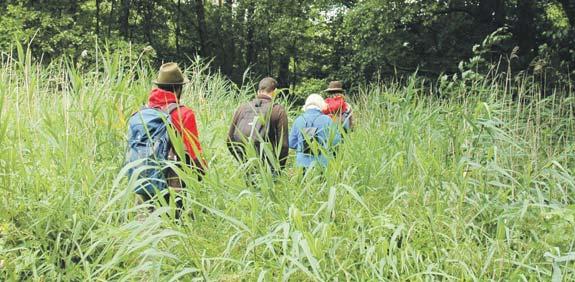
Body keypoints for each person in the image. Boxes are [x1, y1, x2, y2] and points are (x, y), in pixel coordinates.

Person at [126, 62, 205, 219]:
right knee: (171, 227)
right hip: (171, 182)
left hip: (142, 178)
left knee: (144, 227)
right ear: (178, 88)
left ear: (159, 87)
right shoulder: (184, 114)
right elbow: (194, 153)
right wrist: (203, 174)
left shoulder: (140, 113)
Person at [227, 77, 289, 181]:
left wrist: (242, 161)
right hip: (269, 169)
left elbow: (229, 139)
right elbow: (283, 145)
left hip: (247, 165)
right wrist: (278, 168)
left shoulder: (242, 108)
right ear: (274, 92)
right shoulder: (278, 110)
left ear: (258, 91)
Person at [289, 94, 341, 171]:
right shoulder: (327, 120)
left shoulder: (298, 120)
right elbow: (336, 141)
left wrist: (303, 146)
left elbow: (291, 143)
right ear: (321, 105)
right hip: (323, 163)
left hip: (302, 164)